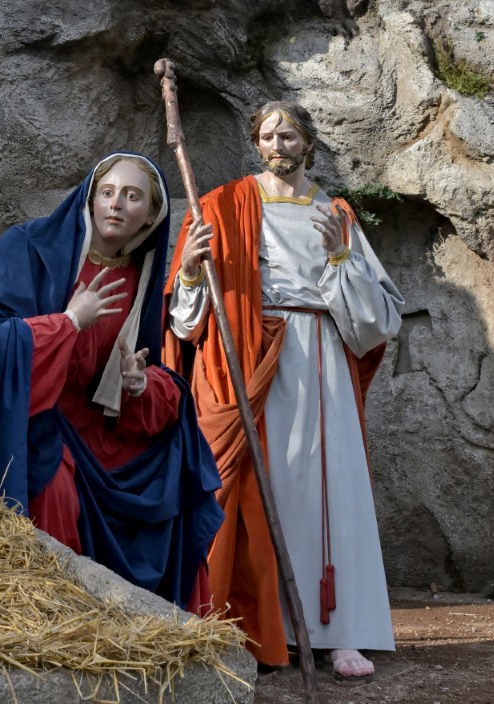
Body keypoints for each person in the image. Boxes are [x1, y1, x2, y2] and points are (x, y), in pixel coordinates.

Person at [0, 153, 222, 609]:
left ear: (152, 214)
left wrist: (139, 384)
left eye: (132, 196)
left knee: (178, 466)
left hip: (102, 435)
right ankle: (49, 612)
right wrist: (66, 323)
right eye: (107, 192)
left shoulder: (138, 277)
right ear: (90, 196)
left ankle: (137, 623)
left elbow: (145, 369)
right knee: (55, 480)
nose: (116, 205)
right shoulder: (30, 248)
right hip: (32, 423)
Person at [166, 102, 402, 679]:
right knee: (271, 485)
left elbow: (379, 319)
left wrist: (343, 257)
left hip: (323, 351)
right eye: (269, 134)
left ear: (308, 144)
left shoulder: (336, 211)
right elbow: (184, 320)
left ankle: (339, 632)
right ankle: (271, 627)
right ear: (256, 143)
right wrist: (193, 272)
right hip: (256, 352)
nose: (278, 143)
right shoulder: (221, 205)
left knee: (334, 491)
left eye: (289, 134)